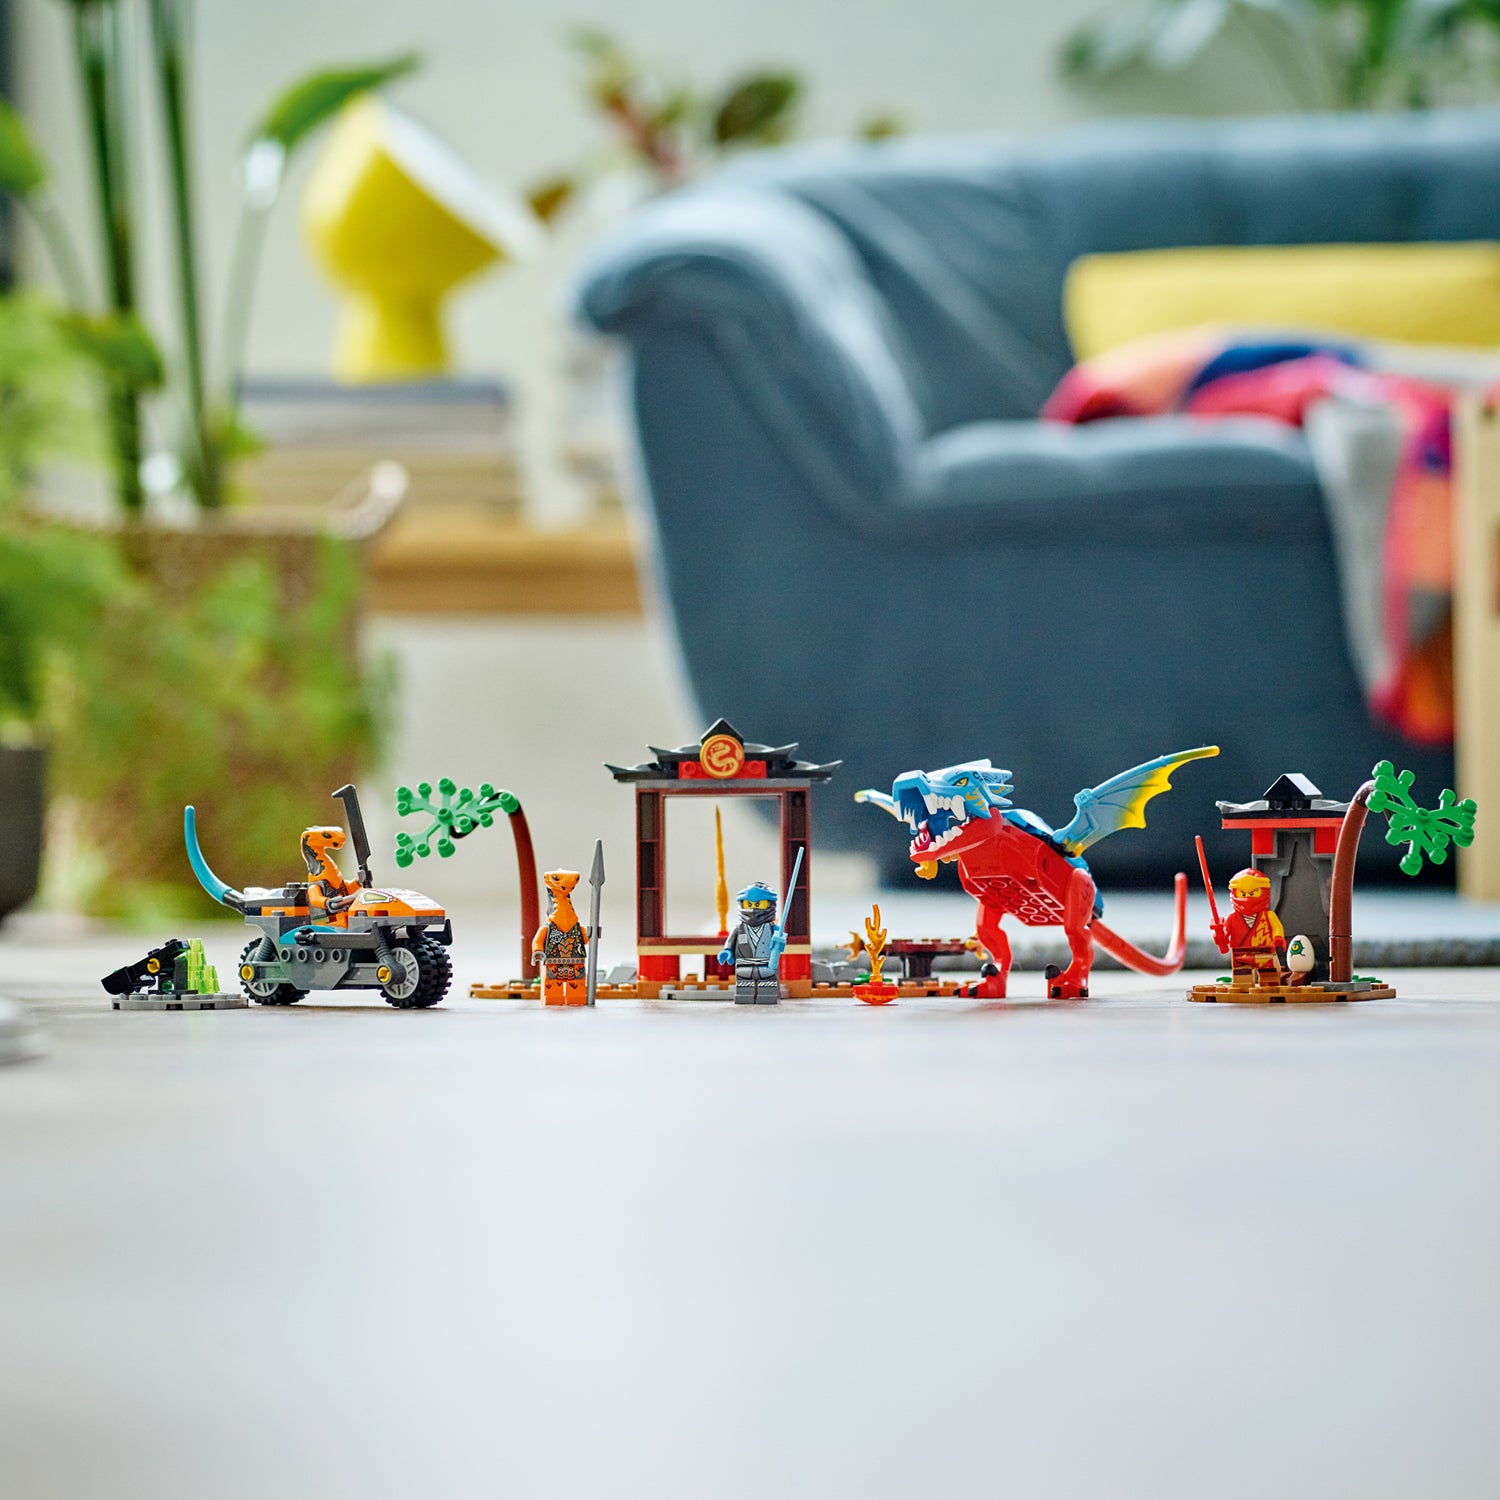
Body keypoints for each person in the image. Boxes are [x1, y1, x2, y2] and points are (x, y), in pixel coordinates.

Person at [1212, 868, 1287, 985]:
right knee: (1242, 981)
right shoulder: (1232, 918)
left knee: (1269, 980)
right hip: (1241, 955)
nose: (1247, 897)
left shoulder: (1268, 916)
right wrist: (1220, 936)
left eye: (1252, 893)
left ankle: (1269, 989)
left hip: (1264, 953)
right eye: (1243, 893)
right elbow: (1225, 934)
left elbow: (1277, 928)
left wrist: (1278, 938)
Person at [718, 880, 785, 1005]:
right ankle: (744, 998)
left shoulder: (773, 929)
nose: (753, 909)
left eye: (760, 904)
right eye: (749, 904)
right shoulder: (739, 929)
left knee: (768, 989)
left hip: (767, 966)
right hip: (744, 966)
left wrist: (780, 941)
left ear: (770, 905)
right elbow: (730, 942)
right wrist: (727, 951)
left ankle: (768, 998)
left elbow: (780, 944)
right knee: (744, 989)